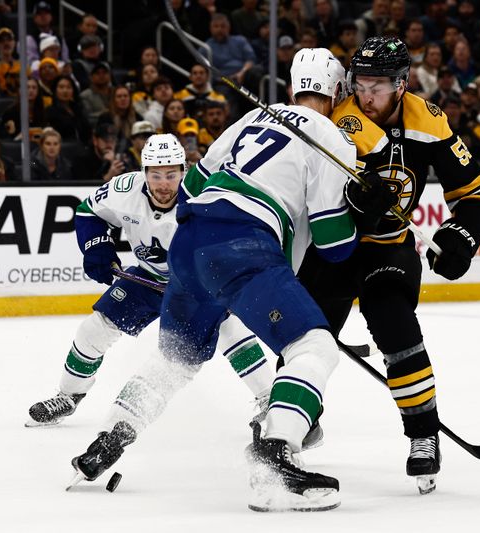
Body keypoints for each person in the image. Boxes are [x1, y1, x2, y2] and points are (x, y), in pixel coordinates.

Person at [69, 48, 392, 512]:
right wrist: (365, 210)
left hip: (189, 242)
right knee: (313, 347)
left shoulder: (250, 120)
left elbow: (193, 187)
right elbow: (334, 243)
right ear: (338, 92)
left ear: (293, 88)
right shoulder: (332, 139)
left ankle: (109, 440)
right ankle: (275, 459)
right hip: (245, 247)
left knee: (176, 361)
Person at [297, 37, 480, 494]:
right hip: (333, 246)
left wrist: (458, 237)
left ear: (402, 85)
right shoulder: (335, 120)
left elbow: (476, 196)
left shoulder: (430, 122)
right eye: (359, 84)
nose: (365, 96)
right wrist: (357, 201)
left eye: (377, 87)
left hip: (389, 248)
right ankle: (294, 419)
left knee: (396, 325)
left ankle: (424, 434)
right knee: (305, 339)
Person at [27, 132, 276, 427]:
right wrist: (96, 247)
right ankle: (68, 397)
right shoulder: (125, 189)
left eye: (171, 175)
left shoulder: (206, 195)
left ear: (184, 171)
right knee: (94, 330)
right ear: (143, 172)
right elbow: (88, 212)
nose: (163, 184)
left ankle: (270, 401)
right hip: (148, 277)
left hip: (198, 285)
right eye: (155, 175)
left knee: (230, 330)